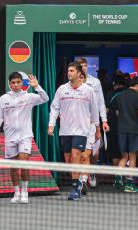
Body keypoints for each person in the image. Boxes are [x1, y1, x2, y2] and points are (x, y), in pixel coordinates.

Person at [0, 72, 49, 204]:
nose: (16, 85)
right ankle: (16, 192)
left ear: (22, 83)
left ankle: (25, 191)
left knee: (23, 162)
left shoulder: (29, 97)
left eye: (18, 82)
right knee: (13, 167)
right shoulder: (3, 99)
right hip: (10, 136)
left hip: (25, 135)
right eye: (13, 82)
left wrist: (37, 87)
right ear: (9, 84)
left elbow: (45, 98)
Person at [48, 61, 99, 201]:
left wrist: (97, 128)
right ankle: (78, 182)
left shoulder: (88, 90)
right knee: (69, 160)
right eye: (68, 71)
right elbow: (55, 107)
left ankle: (75, 188)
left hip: (82, 130)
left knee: (77, 156)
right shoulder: (61, 89)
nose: (68, 73)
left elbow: (94, 110)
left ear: (78, 73)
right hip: (65, 130)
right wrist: (51, 124)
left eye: (71, 71)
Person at [77, 58, 109, 189]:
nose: (84, 68)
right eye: (81, 66)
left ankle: (92, 171)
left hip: (94, 123)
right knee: (81, 152)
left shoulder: (95, 82)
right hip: (78, 124)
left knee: (94, 154)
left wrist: (104, 120)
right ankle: (82, 178)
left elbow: (100, 102)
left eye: (85, 65)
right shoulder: (72, 83)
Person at [113, 77, 138, 193]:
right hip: (134, 130)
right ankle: (130, 185)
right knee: (132, 157)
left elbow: (117, 113)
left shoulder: (120, 96)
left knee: (124, 157)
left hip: (121, 130)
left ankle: (117, 179)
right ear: (137, 86)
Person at [105, 75, 127, 189]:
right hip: (126, 128)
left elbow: (106, 111)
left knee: (114, 153)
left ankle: (116, 178)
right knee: (125, 154)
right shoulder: (128, 95)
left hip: (113, 127)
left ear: (115, 84)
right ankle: (122, 176)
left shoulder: (110, 95)